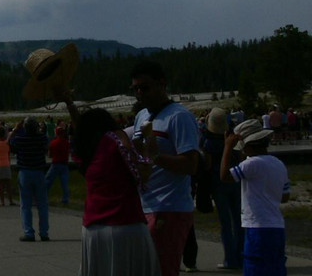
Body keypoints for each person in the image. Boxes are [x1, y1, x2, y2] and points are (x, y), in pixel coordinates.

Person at [63, 97, 161, 276]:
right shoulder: (115, 142)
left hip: (93, 228)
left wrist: (69, 104)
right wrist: (149, 151)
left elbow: (82, 128)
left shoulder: (84, 153)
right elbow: (142, 174)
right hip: (126, 223)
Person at [131, 60, 202, 276]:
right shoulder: (141, 116)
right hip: (145, 205)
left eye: (145, 87)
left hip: (170, 207)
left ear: (162, 83)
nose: (140, 93)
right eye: (136, 89)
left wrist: (157, 157)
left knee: (162, 269)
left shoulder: (179, 117)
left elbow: (191, 164)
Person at [221, 119, 290, 276]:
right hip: (277, 226)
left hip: (257, 226)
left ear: (248, 145)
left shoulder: (251, 164)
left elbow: (225, 176)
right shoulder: (279, 164)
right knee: (276, 268)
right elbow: (285, 197)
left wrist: (227, 148)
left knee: (254, 268)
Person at [203, 108, 243, 270]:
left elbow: (207, 165)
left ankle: (230, 259)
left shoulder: (208, 142)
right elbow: (241, 157)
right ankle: (241, 256)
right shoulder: (232, 139)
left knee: (225, 222)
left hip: (218, 183)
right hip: (235, 179)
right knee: (238, 220)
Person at [11, 117, 49, 241]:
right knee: (42, 204)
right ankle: (44, 232)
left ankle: (29, 232)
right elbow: (46, 148)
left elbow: (9, 143)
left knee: (25, 205)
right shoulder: (42, 138)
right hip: (39, 171)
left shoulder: (20, 139)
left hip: (25, 172)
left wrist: (15, 130)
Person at [0, 126, 15, 207]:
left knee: (0, 184)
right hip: (6, 164)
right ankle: (11, 201)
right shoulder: (7, 143)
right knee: (8, 184)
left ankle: (2, 202)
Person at [47, 125, 71, 205]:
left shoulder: (53, 143)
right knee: (64, 183)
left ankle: (44, 196)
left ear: (56, 133)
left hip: (55, 163)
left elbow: (50, 155)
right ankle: (65, 199)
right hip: (64, 164)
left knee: (48, 180)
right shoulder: (67, 143)